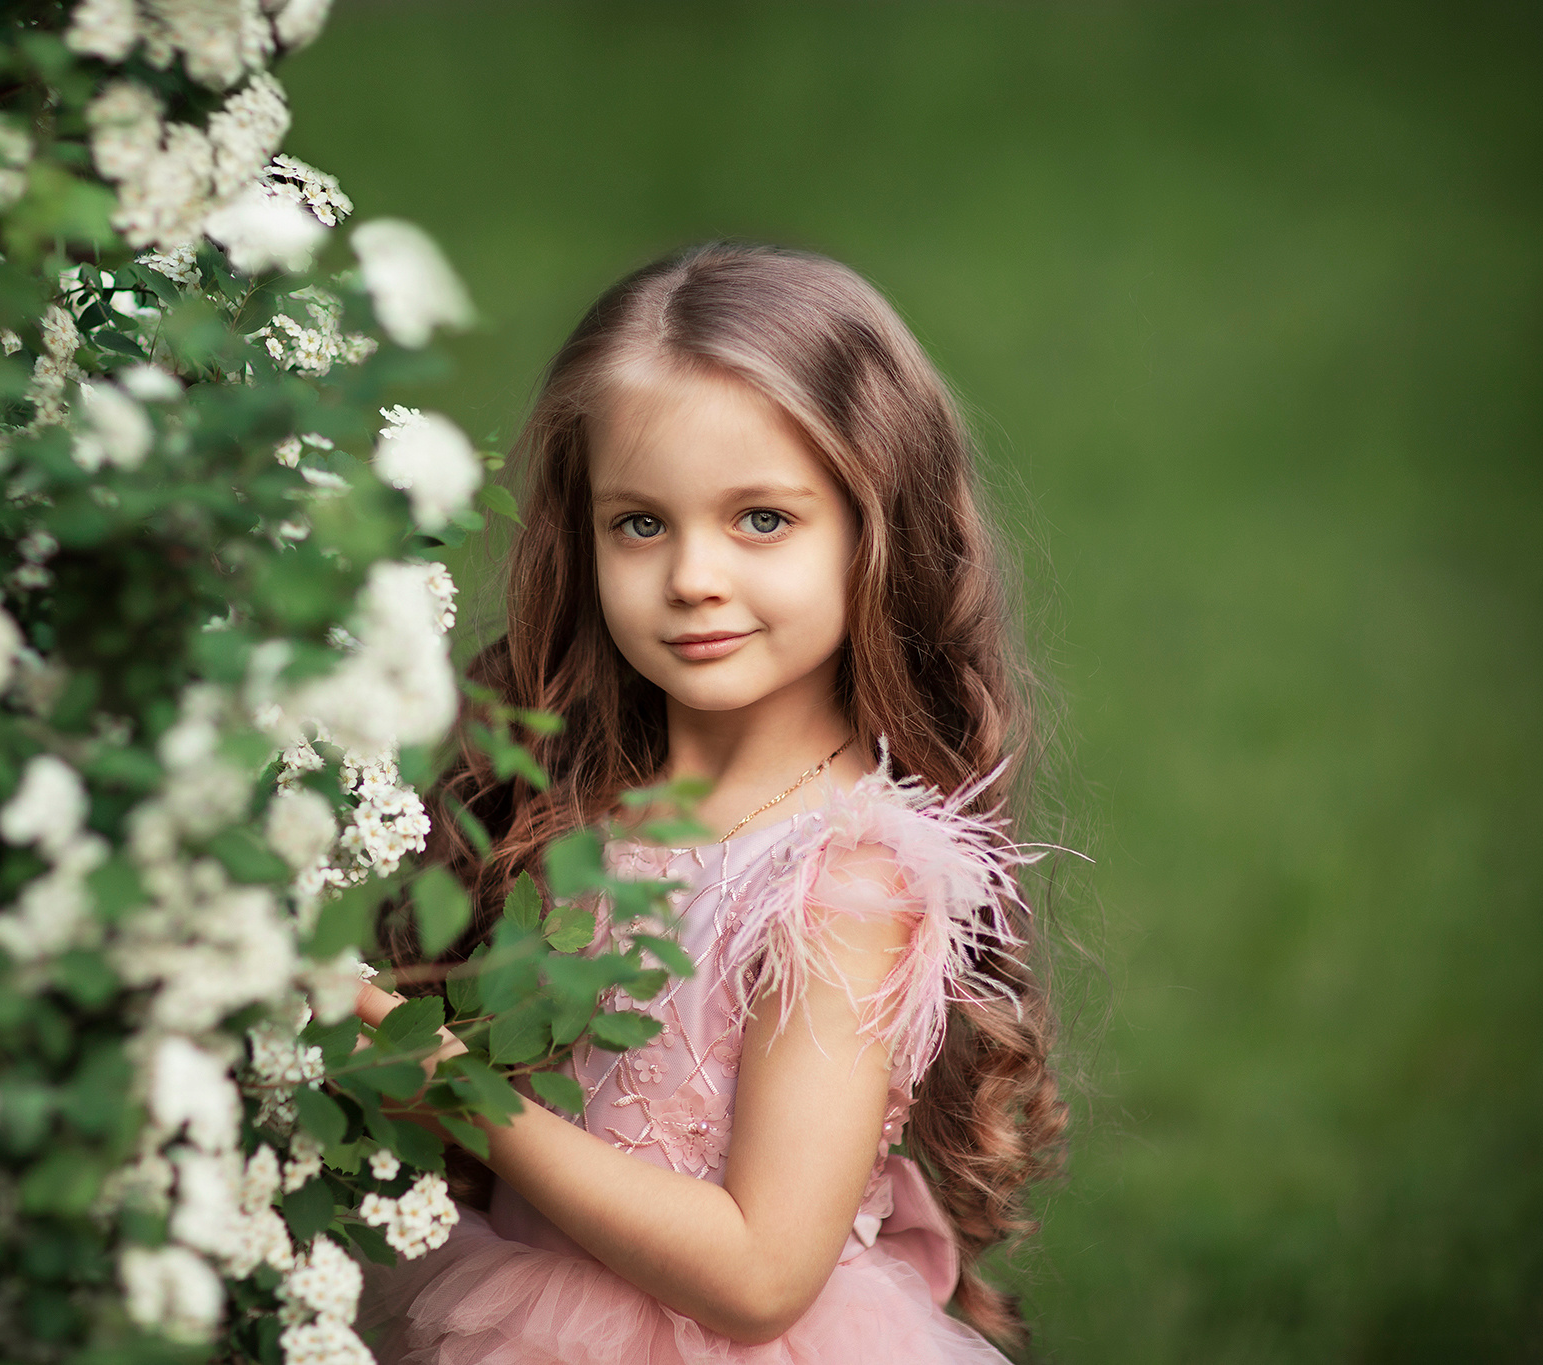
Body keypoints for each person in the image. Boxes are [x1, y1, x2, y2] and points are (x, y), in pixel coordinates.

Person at [354, 242, 1066, 1363]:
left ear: (873, 534)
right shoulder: (582, 796)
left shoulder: (839, 881)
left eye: (760, 521)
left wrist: (452, 1096)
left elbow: (757, 1276)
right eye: (640, 523)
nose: (692, 576)